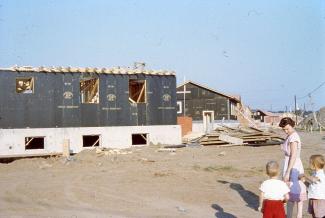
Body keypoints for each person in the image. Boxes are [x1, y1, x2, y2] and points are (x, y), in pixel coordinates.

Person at [279, 117, 307, 218]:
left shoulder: (294, 137)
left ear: (292, 125)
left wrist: (288, 171)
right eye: (284, 129)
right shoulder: (290, 136)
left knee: (294, 191)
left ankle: (296, 216)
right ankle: (290, 216)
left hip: (293, 165)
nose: (286, 131)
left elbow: (293, 155)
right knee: (291, 193)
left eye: (287, 129)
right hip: (290, 164)